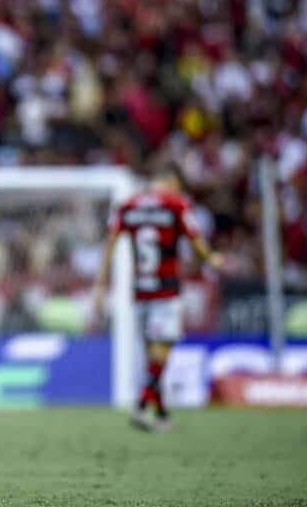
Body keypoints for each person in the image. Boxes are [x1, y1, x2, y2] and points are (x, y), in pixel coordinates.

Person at [92, 164, 220, 432]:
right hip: (166, 290)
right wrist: (211, 258)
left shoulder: (128, 206)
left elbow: (110, 246)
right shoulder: (177, 204)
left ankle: (160, 414)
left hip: (140, 291)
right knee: (162, 353)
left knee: (153, 354)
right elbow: (196, 241)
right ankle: (141, 405)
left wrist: (101, 284)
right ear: (172, 182)